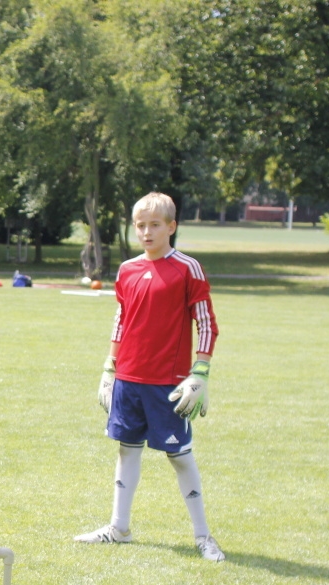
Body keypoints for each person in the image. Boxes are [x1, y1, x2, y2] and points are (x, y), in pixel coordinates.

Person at [74, 192, 225, 562]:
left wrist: (199, 372)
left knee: (180, 457)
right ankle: (118, 528)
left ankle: (203, 537)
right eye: (140, 225)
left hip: (168, 385)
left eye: (154, 225)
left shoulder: (188, 268)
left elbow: (206, 324)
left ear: (171, 227)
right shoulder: (127, 270)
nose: (146, 232)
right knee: (127, 451)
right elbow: (121, 320)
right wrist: (110, 369)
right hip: (128, 380)